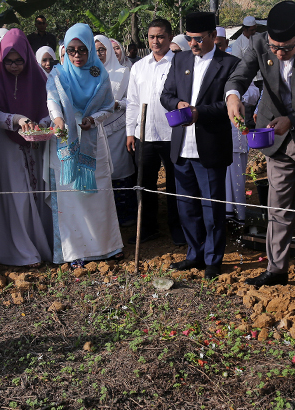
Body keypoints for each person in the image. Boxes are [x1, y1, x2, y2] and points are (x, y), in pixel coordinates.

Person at [225, 1, 295, 297]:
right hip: (274, 139)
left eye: (285, 48)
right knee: (277, 208)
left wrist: (294, 120)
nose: (277, 53)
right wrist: (233, 96)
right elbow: (239, 76)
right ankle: (276, 269)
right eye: (274, 47)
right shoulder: (260, 43)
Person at [161, 12, 241, 279]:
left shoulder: (229, 64)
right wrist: (178, 105)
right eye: (189, 39)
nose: (192, 44)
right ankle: (194, 255)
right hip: (182, 147)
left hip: (209, 147)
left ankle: (213, 260)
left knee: (212, 208)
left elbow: (228, 104)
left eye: (198, 39)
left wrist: (199, 112)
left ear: (213, 37)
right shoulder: (180, 59)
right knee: (187, 207)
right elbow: (166, 94)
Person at [45, 23, 123, 267]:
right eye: (71, 50)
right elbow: (52, 101)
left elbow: (109, 106)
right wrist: (58, 119)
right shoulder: (58, 74)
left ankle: (107, 247)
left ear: (90, 48)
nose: (77, 55)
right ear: (65, 51)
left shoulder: (100, 75)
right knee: (71, 198)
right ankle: (75, 252)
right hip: (67, 138)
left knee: (98, 196)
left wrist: (93, 119)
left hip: (93, 139)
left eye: (82, 50)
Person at [0, 29, 53, 267]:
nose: (14, 67)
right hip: (5, 146)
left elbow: (49, 108)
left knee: (35, 194)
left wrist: (42, 124)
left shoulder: (38, 77)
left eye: (19, 61)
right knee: (16, 197)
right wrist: (15, 120)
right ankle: (20, 251)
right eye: (9, 61)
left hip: (34, 145)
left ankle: (39, 245)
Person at [126, 18, 185, 246]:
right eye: (151, 37)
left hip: (173, 134)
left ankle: (177, 228)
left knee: (175, 184)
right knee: (146, 183)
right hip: (145, 135)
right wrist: (131, 132)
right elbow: (132, 102)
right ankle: (149, 228)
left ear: (170, 37)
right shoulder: (139, 67)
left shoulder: (180, 64)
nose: (156, 41)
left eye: (160, 36)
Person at [94, 34, 136, 227]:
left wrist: (118, 104)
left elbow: (134, 100)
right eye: (95, 50)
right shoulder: (88, 73)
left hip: (118, 128)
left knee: (119, 169)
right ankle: (105, 218)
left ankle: (126, 215)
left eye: (102, 49)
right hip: (94, 129)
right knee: (100, 172)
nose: (99, 54)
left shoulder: (123, 72)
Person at [225, 83, 260, 224]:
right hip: (212, 132)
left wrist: (235, 97)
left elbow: (254, 92)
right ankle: (224, 213)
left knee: (236, 175)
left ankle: (238, 216)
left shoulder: (238, 62)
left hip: (236, 131)